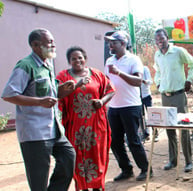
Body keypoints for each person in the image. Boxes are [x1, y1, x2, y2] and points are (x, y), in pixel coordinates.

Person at [1, 28, 76, 191]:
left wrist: (62, 90)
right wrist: (39, 102)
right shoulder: (26, 65)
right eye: (49, 42)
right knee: (39, 178)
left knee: (68, 157)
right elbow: (8, 94)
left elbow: (48, 93)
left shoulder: (47, 65)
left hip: (54, 129)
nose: (53, 45)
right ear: (35, 45)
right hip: (35, 133)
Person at [56, 46, 115, 191]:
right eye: (73, 59)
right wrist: (77, 85)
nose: (77, 61)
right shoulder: (63, 77)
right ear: (69, 61)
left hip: (96, 125)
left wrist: (101, 102)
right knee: (77, 157)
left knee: (97, 155)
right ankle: (83, 186)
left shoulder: (96, 74)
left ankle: (97, 186)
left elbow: (110, 90)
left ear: (85, 59)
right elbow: (58, 94)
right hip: (75, 126)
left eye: (80, 57)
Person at [104, 31, 151, 181]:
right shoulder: (109, 61)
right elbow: (107, 81)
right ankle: (126, 169)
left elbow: (138, 81)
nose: (110, 45)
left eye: (113, 42)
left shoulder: (133, 60)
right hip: (114, 106)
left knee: (133, 140)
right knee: (115, 141)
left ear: (123, 44)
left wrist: (119, 73)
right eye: (109, 42)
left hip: (131, 106)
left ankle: (145, 169)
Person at [154, 28, 193, 172]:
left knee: (184, 128)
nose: (160, 41)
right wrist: (158, 82)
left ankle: (188, 161)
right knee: (170, 129)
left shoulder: (178, 51)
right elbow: (158, 71)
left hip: (179, 95)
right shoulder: (158, 55)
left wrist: (189, 79)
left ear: (167, 37)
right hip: (165, 97)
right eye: (157, 40)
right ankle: (172, 160)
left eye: (161, 38)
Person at [141, 65, 159, 142]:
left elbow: (150, 81)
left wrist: (144, 81)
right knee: (141, 116)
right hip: (137, 97)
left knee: (151, 114)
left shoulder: (144, 69)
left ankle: (155, 133)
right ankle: (145, 134)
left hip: (146, 95)